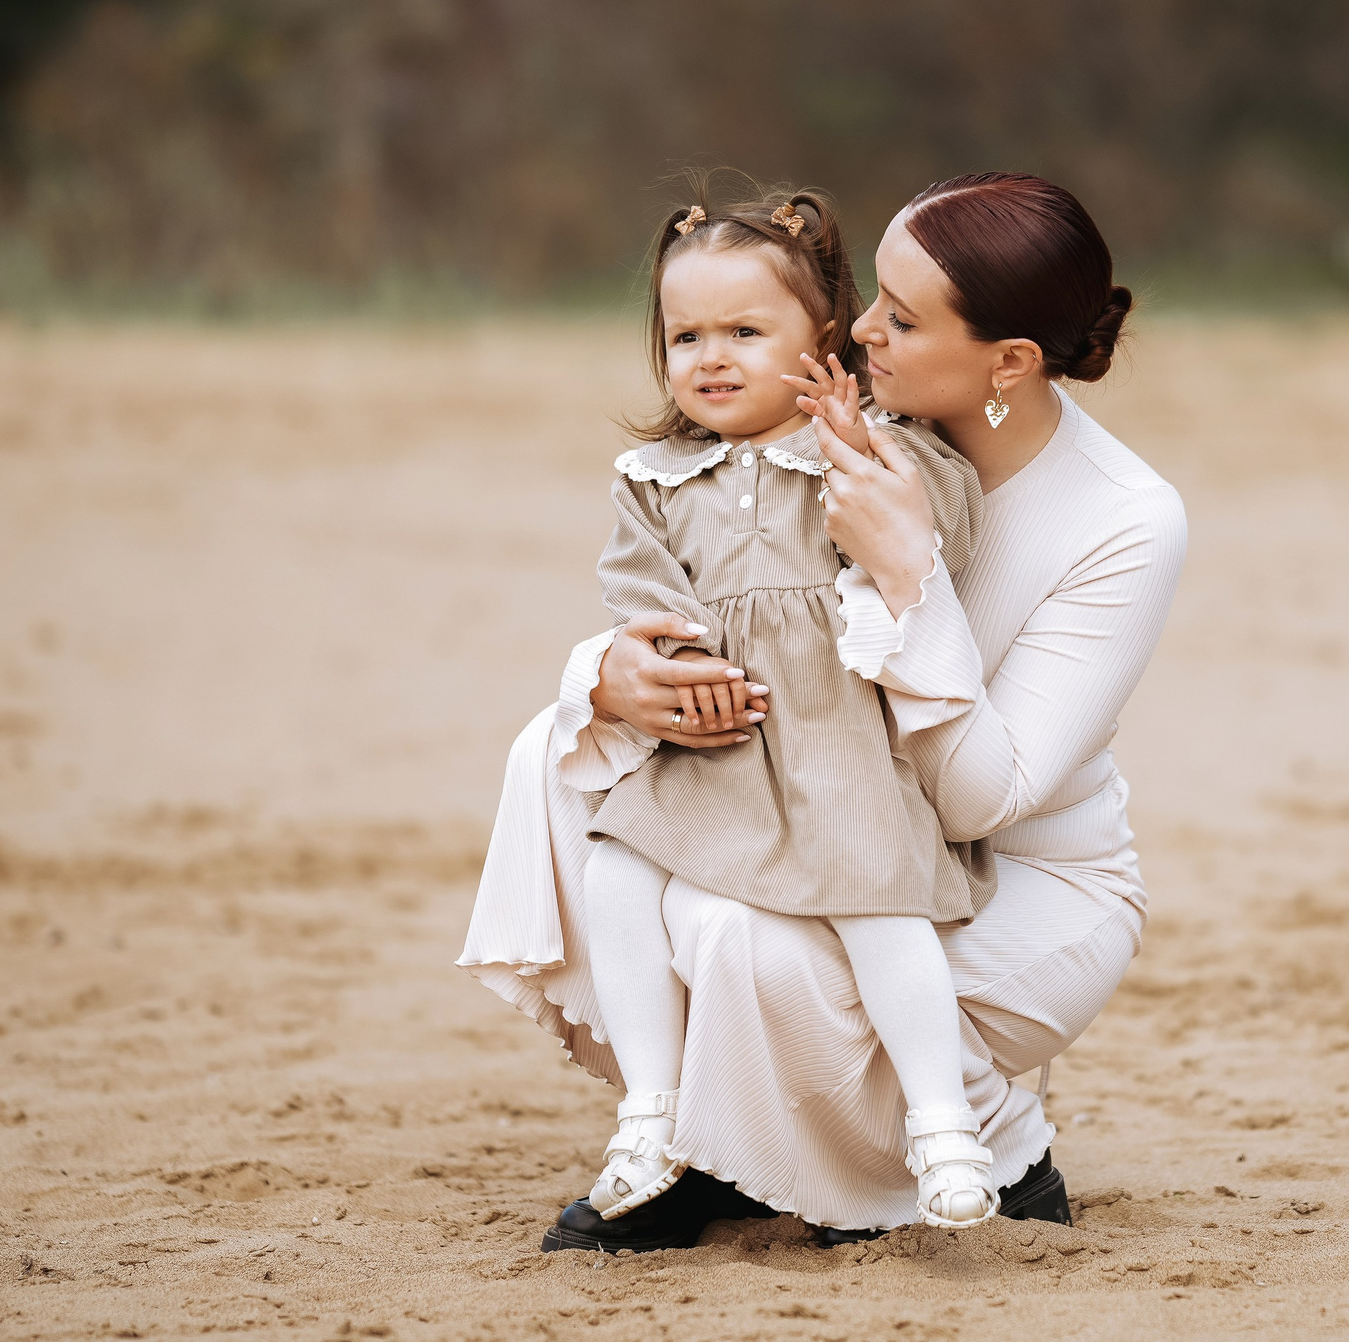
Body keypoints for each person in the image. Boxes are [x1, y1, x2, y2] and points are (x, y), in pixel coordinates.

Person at [458, 170, 1188, 1246]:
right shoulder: (833, 411)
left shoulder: (1123, 519)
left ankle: (995, 1148)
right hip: (811, 795)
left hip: (1019, 874)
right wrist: (608, 675)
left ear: (1010, 361)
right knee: (566, 762)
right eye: (868, 297)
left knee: (737, 931)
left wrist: (911, 579)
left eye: (899, 315)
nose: (858, 329)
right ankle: (710, 1141)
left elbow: (982, 797)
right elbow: (712, 576)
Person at [578, 184, 1001, 1230]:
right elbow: (637, 588)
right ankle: (652, 1111)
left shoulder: (862, 450)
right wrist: (668, 659)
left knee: (876, 903)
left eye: (744, 331)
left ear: (821, 342)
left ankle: (944, 1128)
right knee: (617, 866)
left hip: (833, 740)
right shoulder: (657, 476)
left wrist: (863, 444)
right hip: (721, 739)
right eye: (685, 336)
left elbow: (942, 531)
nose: (710, 357)